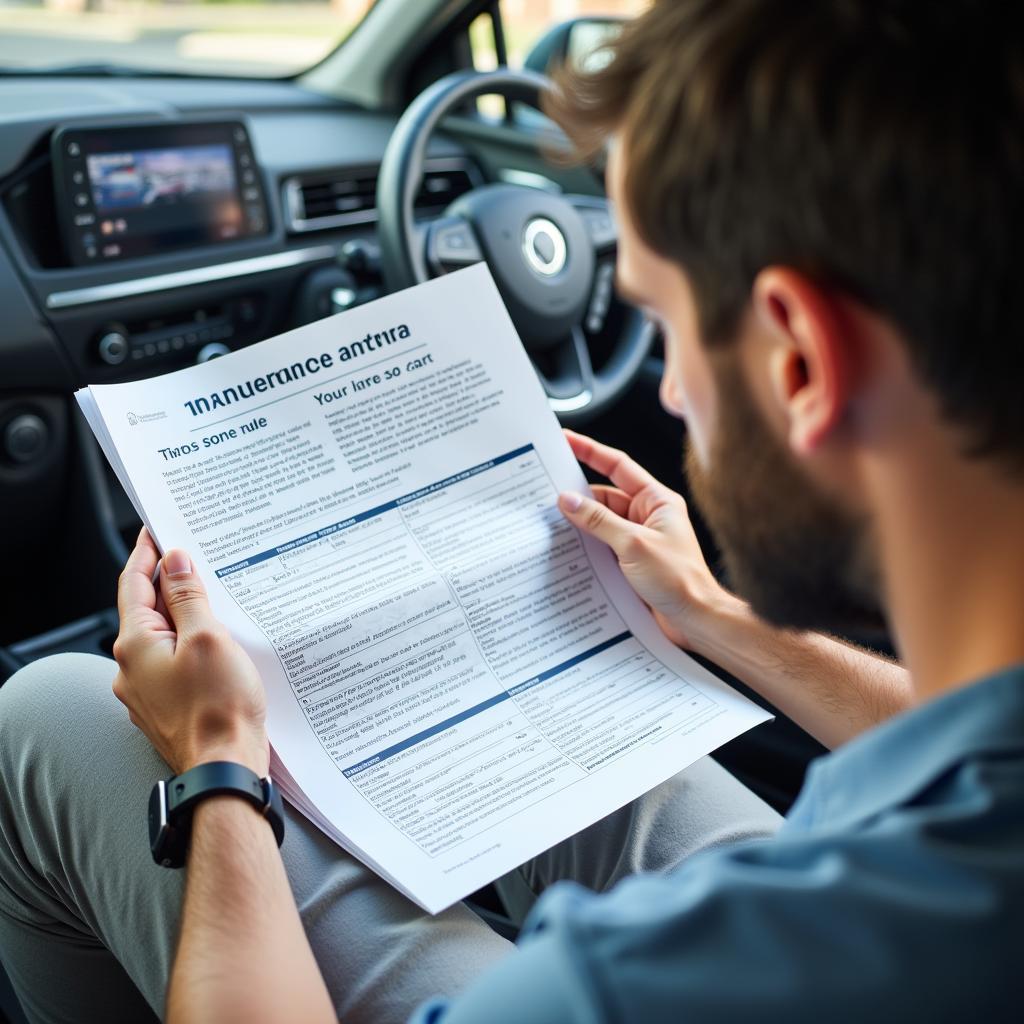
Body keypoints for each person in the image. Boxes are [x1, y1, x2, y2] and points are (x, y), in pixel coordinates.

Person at [2, 0, 1022, 1019]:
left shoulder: (623, 985)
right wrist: (713, 617)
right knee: (587, 734)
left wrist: (219, 767)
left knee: (47, 712)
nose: (668, 390)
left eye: (662, 321)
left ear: (799, 358)